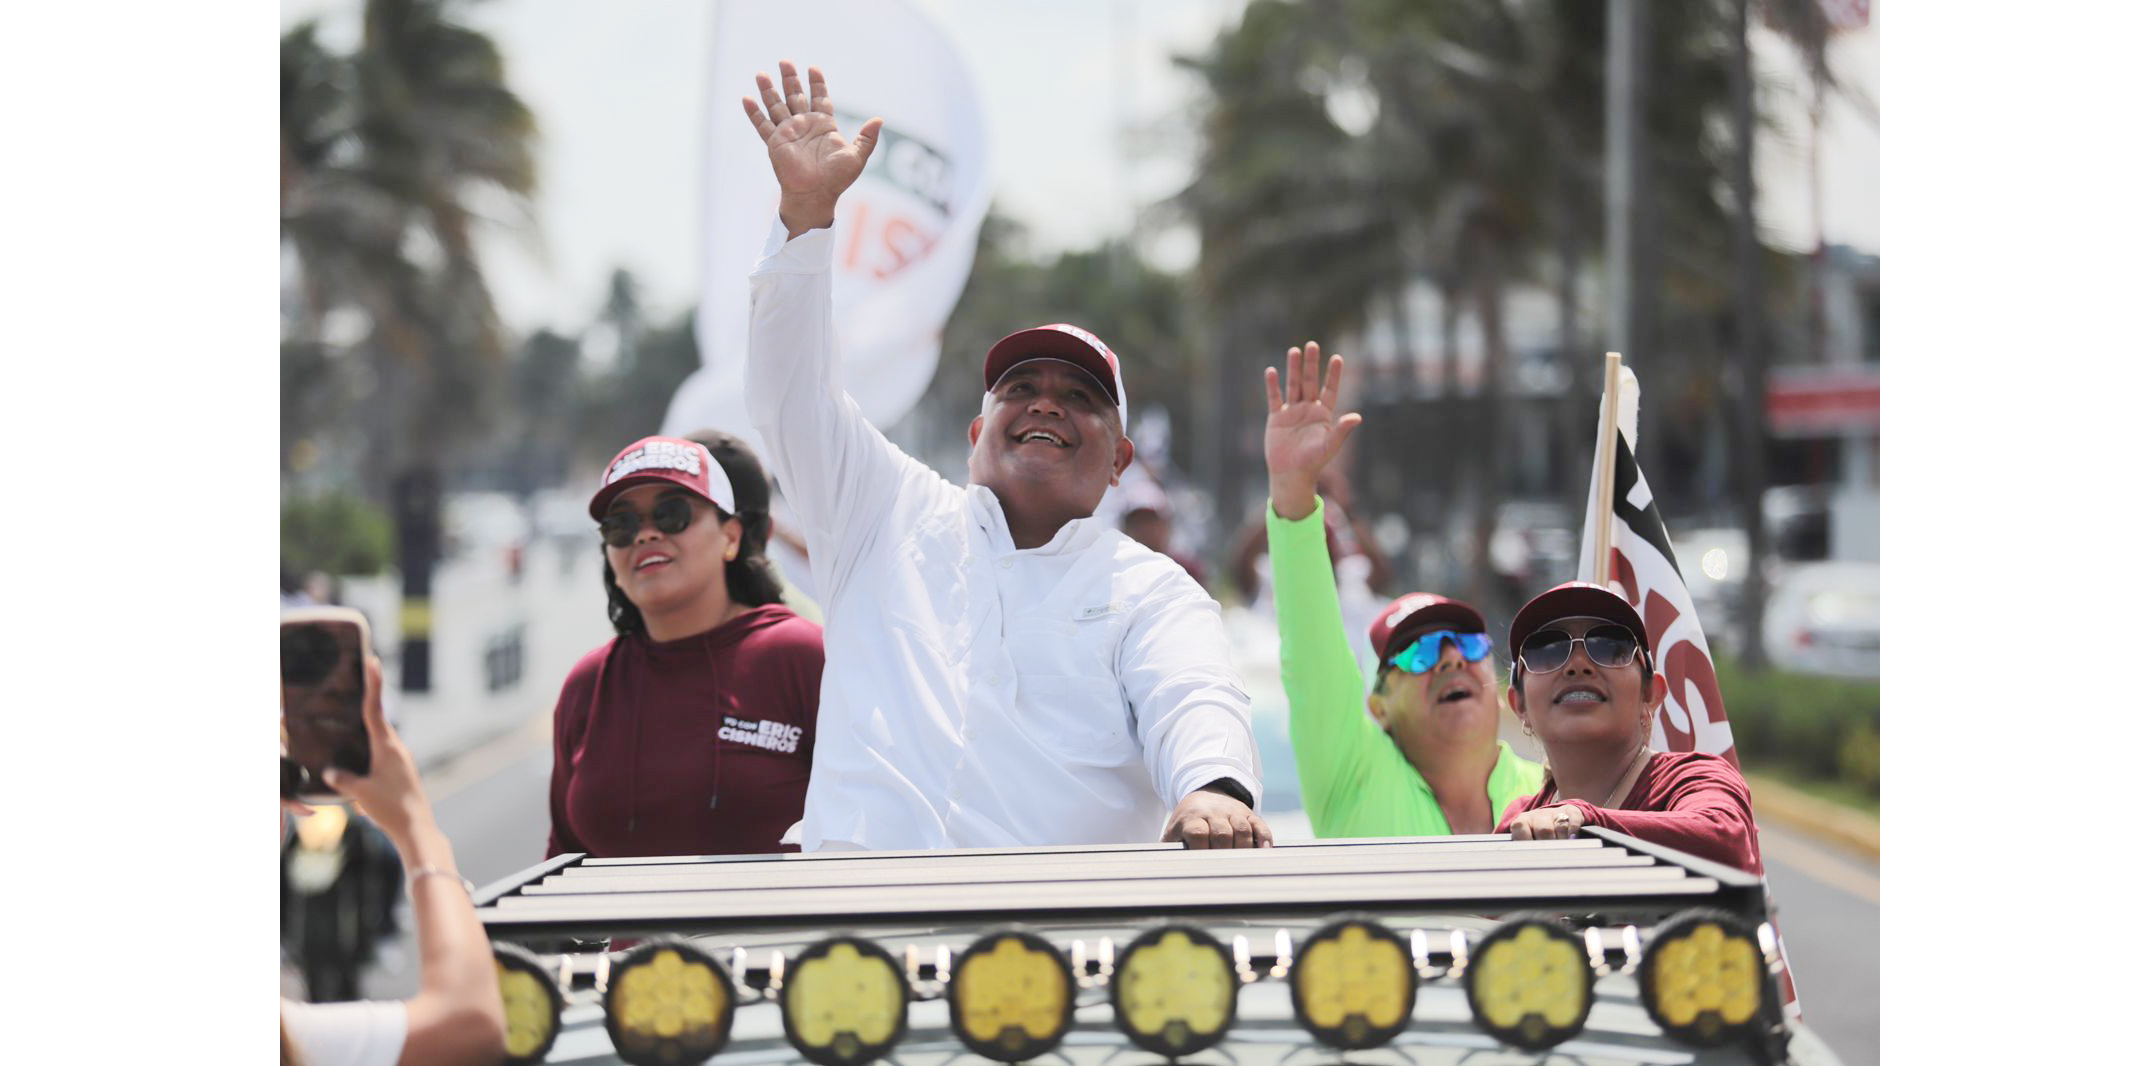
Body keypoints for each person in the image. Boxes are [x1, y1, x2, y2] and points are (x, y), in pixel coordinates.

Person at [740, 61, 1266, 851]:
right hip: (851, 948)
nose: (1047, 402)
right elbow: (790, 391)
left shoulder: (1152, 593)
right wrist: (806, 218)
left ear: (1121, 460)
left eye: (1081, 397)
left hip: (1051, 956)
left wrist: (1212, 789)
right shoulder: (881, 511)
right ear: (976, 433)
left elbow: (1192, 695)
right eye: (1020, 388)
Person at [1262, 342, 1545, 837]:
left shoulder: (1554, 792)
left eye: (1468, 644)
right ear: (1379, 708)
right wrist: (1292, 491)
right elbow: (1312, 651)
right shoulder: (1350, 779)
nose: (1451, 659)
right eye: (1420, 652)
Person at [547, 434, 824, 858]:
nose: (645, 535)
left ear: (731, 537)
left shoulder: (803, 655)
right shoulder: (588, 684)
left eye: (671, 514)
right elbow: (563, 858)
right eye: (622, 525)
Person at [281, 657, 506, 1066]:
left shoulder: (376, 698)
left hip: (348, 798)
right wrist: (415, 825)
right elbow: (470, 1026)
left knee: (376, 847)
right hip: (329, 806)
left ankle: (387, 923)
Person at [1496, 581, 1763, 873]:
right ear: (1519, 705)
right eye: (1546, 650)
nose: (1578, 664)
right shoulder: (1521, 818)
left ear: (1650, 694)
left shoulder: (1696, 779)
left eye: (1611, 646)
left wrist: (1586, 818)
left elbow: (1726, 841)